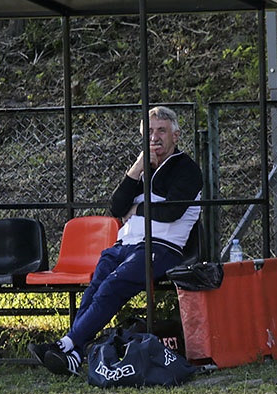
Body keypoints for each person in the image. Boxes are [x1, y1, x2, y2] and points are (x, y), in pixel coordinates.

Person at [29, 106, 203, 376]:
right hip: (125, 246)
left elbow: (172, 212)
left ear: (176, 135)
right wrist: (136, 169)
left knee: (112, 286)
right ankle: (74, 354)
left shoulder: (186, 169)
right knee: (96, 286)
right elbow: (117, 206)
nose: (155, 138)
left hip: (161, 248)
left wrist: (138, 210)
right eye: (149, 132)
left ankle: (67, 344)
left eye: (162, 131)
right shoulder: (143, 169)